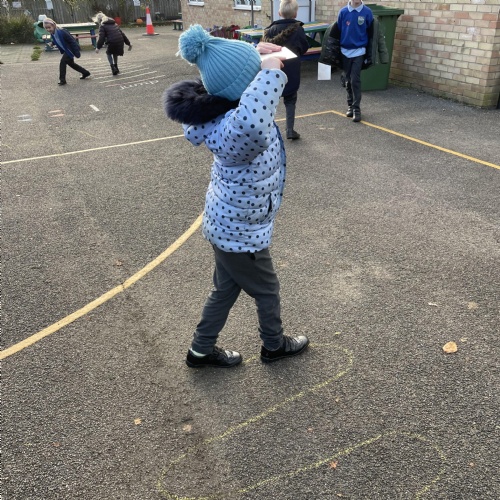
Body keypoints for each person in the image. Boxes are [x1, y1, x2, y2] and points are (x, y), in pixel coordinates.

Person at [163, 25, 310, 368]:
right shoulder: (238, 130)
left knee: (225, 290)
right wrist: (270, 74)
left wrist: (253, 57)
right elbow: (252, 124)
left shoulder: (219, 111)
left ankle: (200, 350)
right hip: (242, 234)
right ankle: (274, 345)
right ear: (247, 87)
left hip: (227, 225)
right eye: (253, 76)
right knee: (267, 290)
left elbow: (238, 90)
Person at [262, 0, 310, 140]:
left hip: (273, 69)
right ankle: (289, 130)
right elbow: (304, 47)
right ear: (295, 14)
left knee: (271, 101)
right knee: (290, 100)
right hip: (291, 70)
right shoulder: (298, 30)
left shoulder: (269, 30)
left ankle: (266, 130)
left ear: (279, 13)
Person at [337, 0, 374, 122]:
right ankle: (350, 106)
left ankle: (357, 109)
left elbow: (370, 32)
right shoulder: (343, 12)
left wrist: (369, 53)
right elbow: (339, 30)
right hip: (345, 51)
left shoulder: (367, 12)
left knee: (355, 80)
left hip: (359, 51)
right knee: (348, 80)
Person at [42, 18, 91, 85]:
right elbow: (57, 39)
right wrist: (52, 43)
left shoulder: (62, 31)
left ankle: (62, 80)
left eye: (49, 27)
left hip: (70, 50)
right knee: (71, 63)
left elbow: (72, 41)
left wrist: (76, 51)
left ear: (53, 25)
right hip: (67, 50)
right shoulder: (53, 33)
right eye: (46, 28)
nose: (48, 29)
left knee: (63, 62)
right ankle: (85, 73)